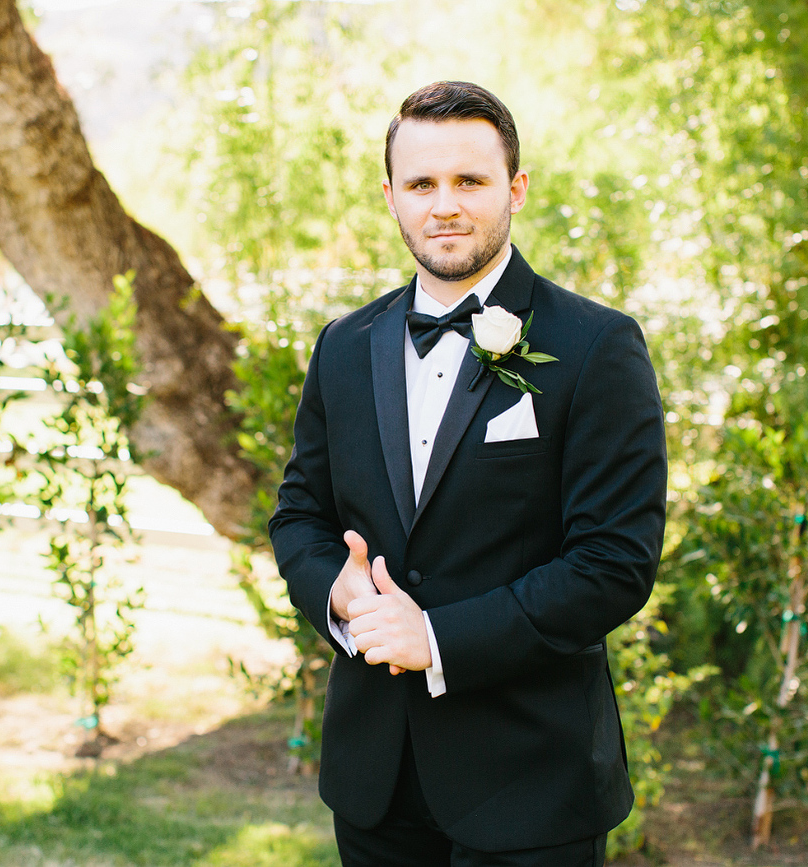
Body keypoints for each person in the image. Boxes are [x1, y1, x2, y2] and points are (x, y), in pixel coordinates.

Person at [268, 80, 668, 867]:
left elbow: (613, 563)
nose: (443, 205)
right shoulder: (343, 347)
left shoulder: (595, 346)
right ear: (390, 197)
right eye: (420, 183)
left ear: (513, 188)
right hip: (374, 779)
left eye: (468, 181)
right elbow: (298, 517)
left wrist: (437, 637)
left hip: (530, 784)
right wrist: (341, 595)